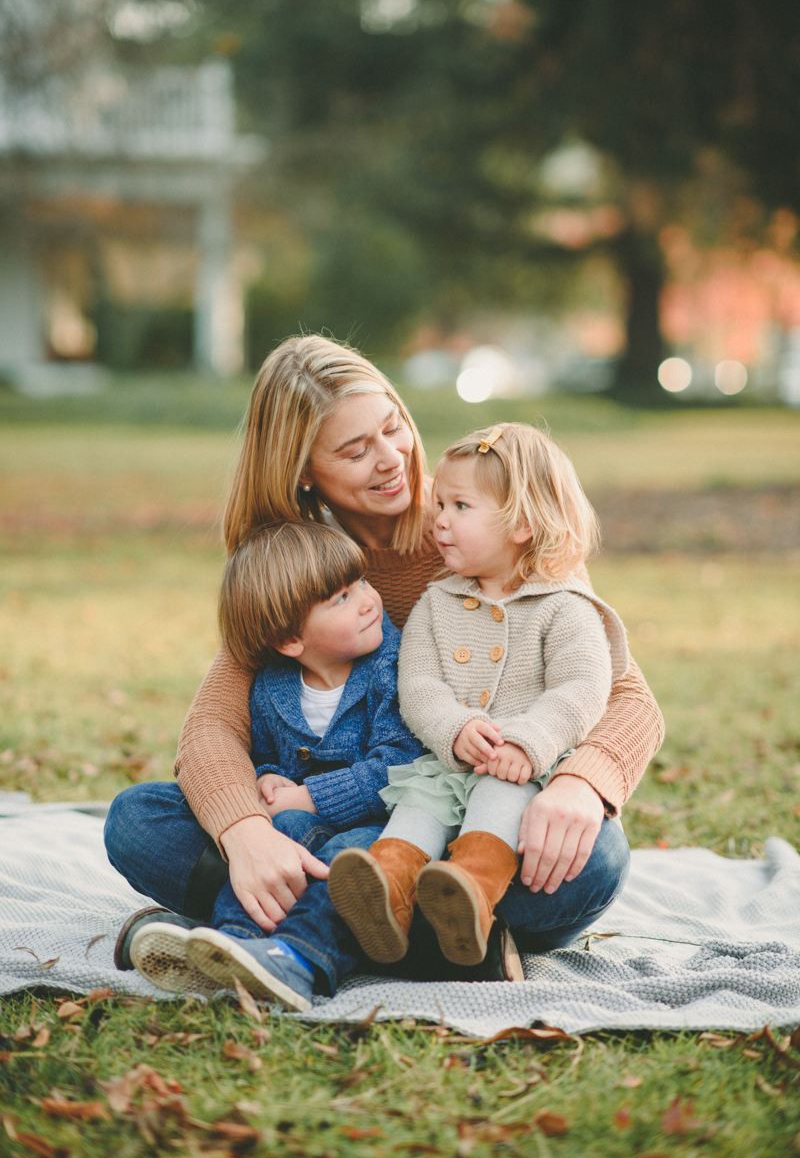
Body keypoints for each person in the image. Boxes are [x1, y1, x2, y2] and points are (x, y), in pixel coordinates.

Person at [105, 335, 664, 1002]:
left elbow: (626, 696)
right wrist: (246, 834)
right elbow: (211, 726)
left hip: (475, 815)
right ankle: (436, 944)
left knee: (594, 858)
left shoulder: (490, 517)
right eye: (355, 449)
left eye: (393, 426)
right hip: (328, 821)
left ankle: (280, 925)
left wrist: (580, 784)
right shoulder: (299, 563)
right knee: (138, 823)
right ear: (303, 470)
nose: (392, 457)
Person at [328, 423, 628, 969]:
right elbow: (417, 684)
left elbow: (583, 687)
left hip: (522, 769)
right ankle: (384, 895)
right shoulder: (436, 601)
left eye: (460, 505)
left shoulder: (563, 605)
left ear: (523, 525)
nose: (438, 519)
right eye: (439, 502)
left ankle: (465, 897)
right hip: (448, 763)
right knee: (416, 813)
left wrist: (529, 742)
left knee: (498, 803)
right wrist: (453, 728)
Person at [127, 520, 425, 1009]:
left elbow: (402, 767)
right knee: (142, 814)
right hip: (290, 833)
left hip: (379, 829)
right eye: (342, 599)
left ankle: (295, 957)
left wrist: (306, 797)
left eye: (362, 583)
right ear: (289, 640)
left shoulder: (395, 665)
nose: (369, 599)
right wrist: (265, 777)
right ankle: (235, 950)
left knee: (354, 863)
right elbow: (261, 753)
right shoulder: (272, 686)